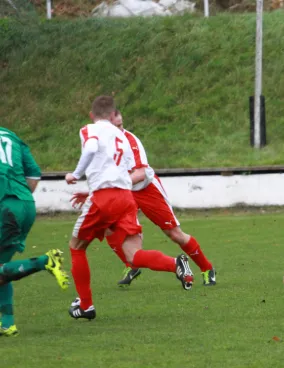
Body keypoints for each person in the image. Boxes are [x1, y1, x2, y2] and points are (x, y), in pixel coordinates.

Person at [65, 96, 194, 321]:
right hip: (126, 198)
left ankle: (85, 305)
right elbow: (121, 170)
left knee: (77, 247)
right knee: (133, 255)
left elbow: (92, 147)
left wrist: (75, 175)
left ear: (91, 115)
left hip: (104, 197)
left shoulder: (88, 130)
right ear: (113, 114)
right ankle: (176, 264)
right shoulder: (122, 137)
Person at [71, 110, 216, 287]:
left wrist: (115, 185)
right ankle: (130, 265)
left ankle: (207, 269)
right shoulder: (103, 143)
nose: (118, 128)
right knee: (107, 227)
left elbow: (139, 175)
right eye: (114, 125)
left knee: (174, 234)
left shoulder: (130, 141)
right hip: (125, 193)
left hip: (147, 190)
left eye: (120, 124)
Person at [0, 127, 69, 336]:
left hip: (5, 207)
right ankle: (8, 323)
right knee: (3, 268)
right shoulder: (11, 136)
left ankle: (44, 261)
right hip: (26, 204)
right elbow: (33, 174)